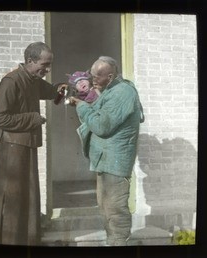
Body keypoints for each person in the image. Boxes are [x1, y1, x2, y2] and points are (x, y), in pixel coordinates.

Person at [0, 42, 67, 245]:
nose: (47, 70)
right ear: (30, 61)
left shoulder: (33, 79)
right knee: (12, 199)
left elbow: (53, 93)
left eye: (49, 65)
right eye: (44, 65)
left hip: (26, 146)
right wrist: (33, 118)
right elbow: (0, 119)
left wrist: (69, 88)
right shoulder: (12, 81)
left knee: (28, 197)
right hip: (11, 149)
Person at [70, 56, 143, 246]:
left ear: (110, 76)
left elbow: (102, 125)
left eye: (97, 77)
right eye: (91, 75)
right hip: (105, 159)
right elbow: (99, 113)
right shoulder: (110, 90)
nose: (92, 81)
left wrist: (81, 106)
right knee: (105, 209)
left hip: (115, 161)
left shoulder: (122, 93)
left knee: (115, 211)